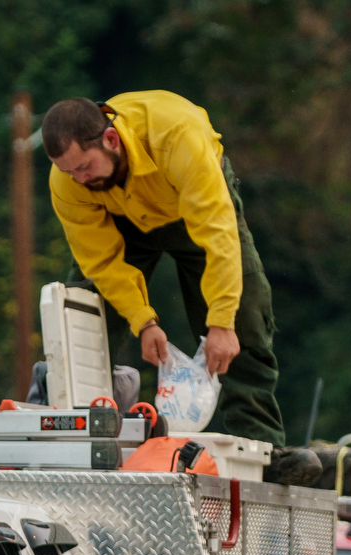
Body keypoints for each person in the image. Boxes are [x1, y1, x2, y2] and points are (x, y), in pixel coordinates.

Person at [43, 93, 283, 446]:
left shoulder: (178, 138)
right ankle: (72, 439)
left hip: (195, 209)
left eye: (84, 167)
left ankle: (264, 448)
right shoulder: (68, 181)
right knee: (84, 311)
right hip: (122, 219)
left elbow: (219, 238)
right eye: (68, 171)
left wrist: (222, 322)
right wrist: (144, 321)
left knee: (244, 318)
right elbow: (102, 262)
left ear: (110, 140)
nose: (78, 179)